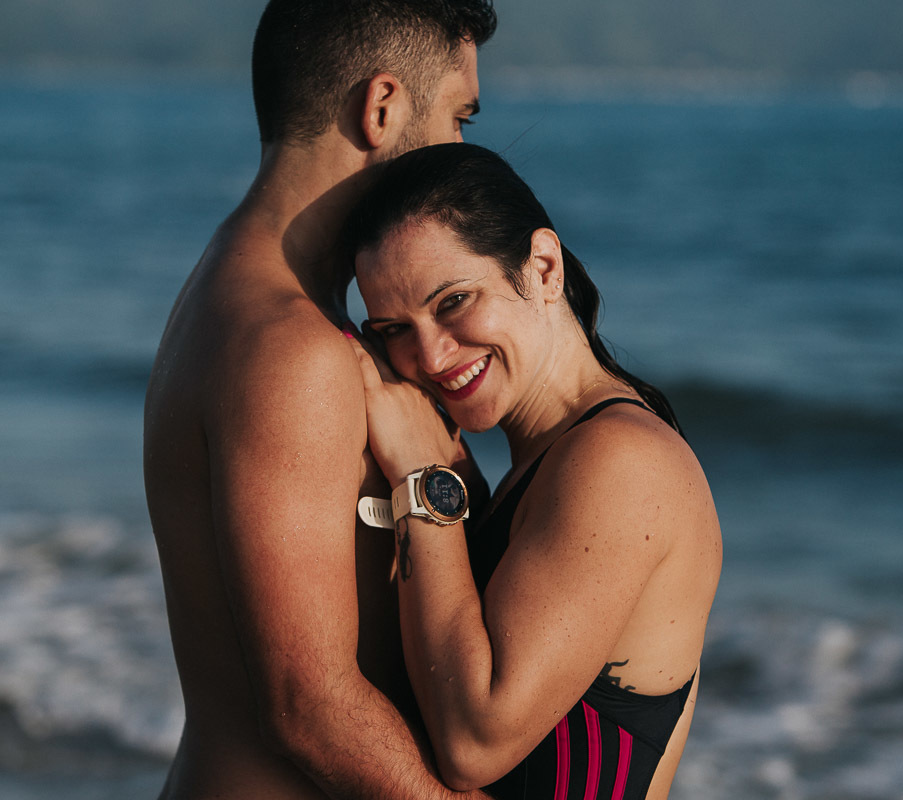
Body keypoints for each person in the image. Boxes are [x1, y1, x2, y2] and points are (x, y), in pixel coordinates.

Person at [143, 3, 497, 798]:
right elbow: (310, 708)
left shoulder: (236, 289)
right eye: (457, 116)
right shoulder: (291, 348)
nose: (463, 152)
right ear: (381, 109)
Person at [346, 143, 723, 799]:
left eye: (454, 300)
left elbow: (473, 743)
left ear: (543, 267)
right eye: (393, 330)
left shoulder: (620, 460)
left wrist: (423, 476)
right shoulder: (542, 469)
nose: (430, 355)